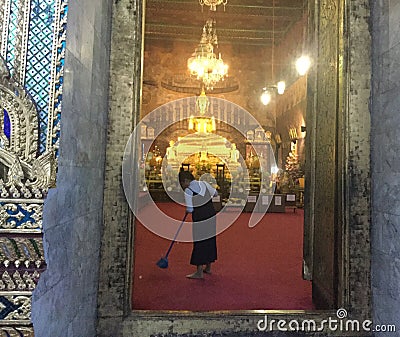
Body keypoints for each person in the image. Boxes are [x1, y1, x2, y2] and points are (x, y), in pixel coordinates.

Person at [178, 170, 218, 279]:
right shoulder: (204, 184)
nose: (182, 186)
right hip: (210, 214)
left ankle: (199, 272)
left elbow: (190, 209)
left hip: (200, 217)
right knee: (210, 239)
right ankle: (208, 267)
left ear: (186, 181)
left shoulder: (188, 190)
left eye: (181, 183)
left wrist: (187, 210)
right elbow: (215, 193)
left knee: (199, 241)